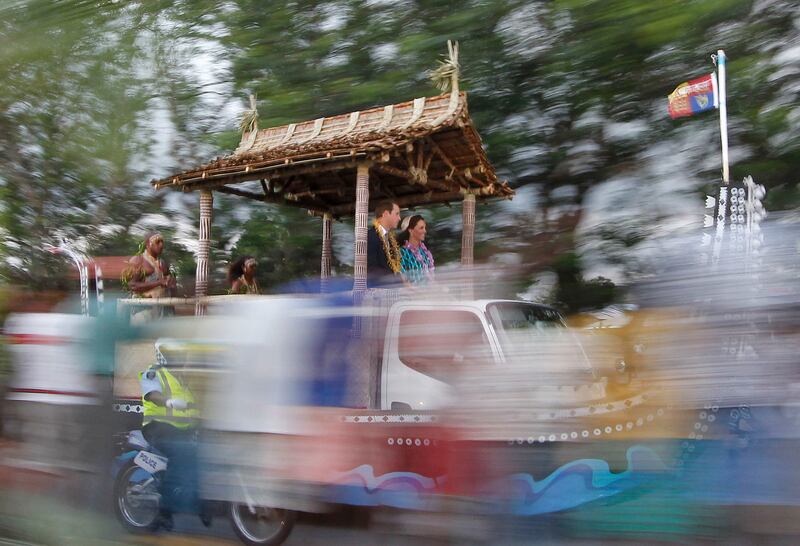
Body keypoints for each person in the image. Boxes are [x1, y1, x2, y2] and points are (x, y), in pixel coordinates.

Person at [139, 346, 204, 530]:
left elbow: (192, 407)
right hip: (157, 428)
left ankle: (200, 502)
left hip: (181, 430)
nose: (181, 359)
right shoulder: (153, 372)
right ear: (165, 356)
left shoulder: (183, 380)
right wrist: (168, 401)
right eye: (177, 355)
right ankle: (163, 510)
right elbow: (152, 395)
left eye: (183, 355)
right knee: (181, 453)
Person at [122, 233, 176, 323]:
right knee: (144, 337)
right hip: (143, 311)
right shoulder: (138, 260)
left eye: (162, 242)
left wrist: (172, 284)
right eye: (157, 242)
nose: (161, 245)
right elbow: (132, 286)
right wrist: (158, 283)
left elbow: (168, 283)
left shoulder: (162, 263)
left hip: (162, 310)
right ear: (148, 244)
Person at [367, 200, 402, 287]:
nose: (399, 218)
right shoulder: (371, 236)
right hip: (379, 291)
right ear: (386, 213)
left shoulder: (391, 238)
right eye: (397, 214)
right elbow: (371, 269)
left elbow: (394, 266)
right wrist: (395, 280)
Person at [398, 215, 435, 285]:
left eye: (425, 228)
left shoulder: (425, 252)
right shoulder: (402, 253)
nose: (425, 231)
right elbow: (404, 282)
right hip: (414, 295)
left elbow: (431, 278)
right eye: (421, 228)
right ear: (411, 231)